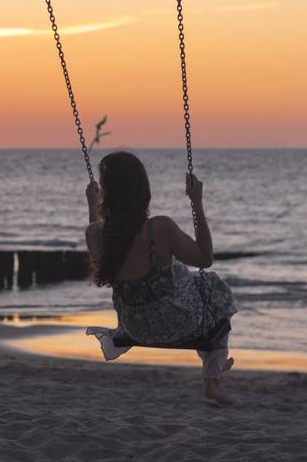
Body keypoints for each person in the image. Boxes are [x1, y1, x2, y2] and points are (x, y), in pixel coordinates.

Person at [83, 151, 236, 405]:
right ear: (143, 190)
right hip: (178, 322)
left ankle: (214, 367)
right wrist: (197, 202)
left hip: (135, 328)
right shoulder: (159, 228)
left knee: (200, 288)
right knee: (213, 286)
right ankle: (213, 379)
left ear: (107, 193)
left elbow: (99, 238)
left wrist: (92, 206)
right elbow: (204, 258)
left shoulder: (95, 233)